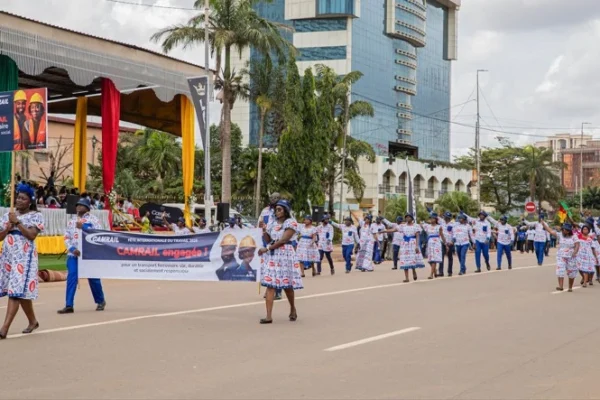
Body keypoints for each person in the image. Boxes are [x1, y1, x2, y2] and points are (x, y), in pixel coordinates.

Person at [0, 184, 44, 339]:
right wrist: (7, 228)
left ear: (30, 202)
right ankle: (33, 321)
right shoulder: (8, 215)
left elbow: (32, 235)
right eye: (18, 197)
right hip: (8, 257)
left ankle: (4, 328)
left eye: (23, 198)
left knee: (15, 291)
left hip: (24, 258)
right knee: (20, 292)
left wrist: (17, 223)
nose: (19, 200)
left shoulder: (36, 216)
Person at [58, 197, 106, 314]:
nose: (78, 207)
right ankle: (69, 305)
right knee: (72, 277)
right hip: (74, 255)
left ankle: (100, 301)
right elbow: (66, 237)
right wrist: (72, 248)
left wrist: (84, 227)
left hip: (89, 255)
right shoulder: (71, 221)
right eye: (77, 205)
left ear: (87, 208)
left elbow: (98, 234)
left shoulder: (94, 219)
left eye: (81, 205)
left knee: (93, 279)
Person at [258, 199, 302, 324]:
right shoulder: (272, 223)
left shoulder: (291, 223)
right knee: (270, 284)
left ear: (286, 210)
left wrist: (267, 249)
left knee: (287, 286)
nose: (276, 211)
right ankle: (268, 316)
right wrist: (264, 230)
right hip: (273, 255)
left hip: (285, 255)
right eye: (276, 209)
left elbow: (283, 240)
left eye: (279, 209)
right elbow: (268, 240)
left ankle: (292, 308)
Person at [543, 222, 578, 292]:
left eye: (565, 230)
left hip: (571, 256)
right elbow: (550, 231)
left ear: (569, 231)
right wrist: (544, 225)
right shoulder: (560, 235)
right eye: (563, 229)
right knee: (560, 270)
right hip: (561, 256)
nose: (563, 231)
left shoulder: (574, 236)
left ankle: (570, 287)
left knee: (571, 272)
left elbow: (577, 245)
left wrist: (575, 252)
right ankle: (561, 286)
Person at [395, 213, 425, 282]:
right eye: (406, 217)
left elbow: (417, 236)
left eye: (409, 217)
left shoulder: (416, 226)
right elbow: (394, 229)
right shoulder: (403, 226)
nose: (407, 218)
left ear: (412, 218)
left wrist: (417, 246)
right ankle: (407, 278)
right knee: (405, 260)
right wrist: (384, 231)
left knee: (412, 259)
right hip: (405, 244)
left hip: (412, 244)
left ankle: (414, 270)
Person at [420, 213, 446, 279]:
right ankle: (435, 270)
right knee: (430, 260)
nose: (431, 219)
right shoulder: (427, 226)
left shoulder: (439, 227)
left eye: (433, 218)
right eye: (430, 218)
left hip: (437, 243)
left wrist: (445, 244)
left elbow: (442, 235)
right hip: (430, 243)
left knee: (434, 259)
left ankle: (431, 274)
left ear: (436, 219)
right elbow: (420, 224)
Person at [575, 220, 597, 288]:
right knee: (579, 268)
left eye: (586, 229)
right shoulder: (578, 236)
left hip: (588, 255)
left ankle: (585, 282)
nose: (585, 230)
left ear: (588, 230)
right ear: (582, 230)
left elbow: (593, 248)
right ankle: (583, 277)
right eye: (584, 229)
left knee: (586, 269)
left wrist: (595, 256)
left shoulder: (590, 238)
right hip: (580, 254)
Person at [438, 212, 455, 277]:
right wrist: (430, 211)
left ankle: (450, 271)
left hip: (450, 242)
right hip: (442, 242)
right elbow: (436, 217)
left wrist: (452, 241)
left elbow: (455, 234)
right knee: (441, 257)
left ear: (450, 218)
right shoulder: (442, 222)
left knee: (450, 257)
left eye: (447, 217)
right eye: (445, 217)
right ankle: (441, 272)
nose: (446, 218)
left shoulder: (453, 224)